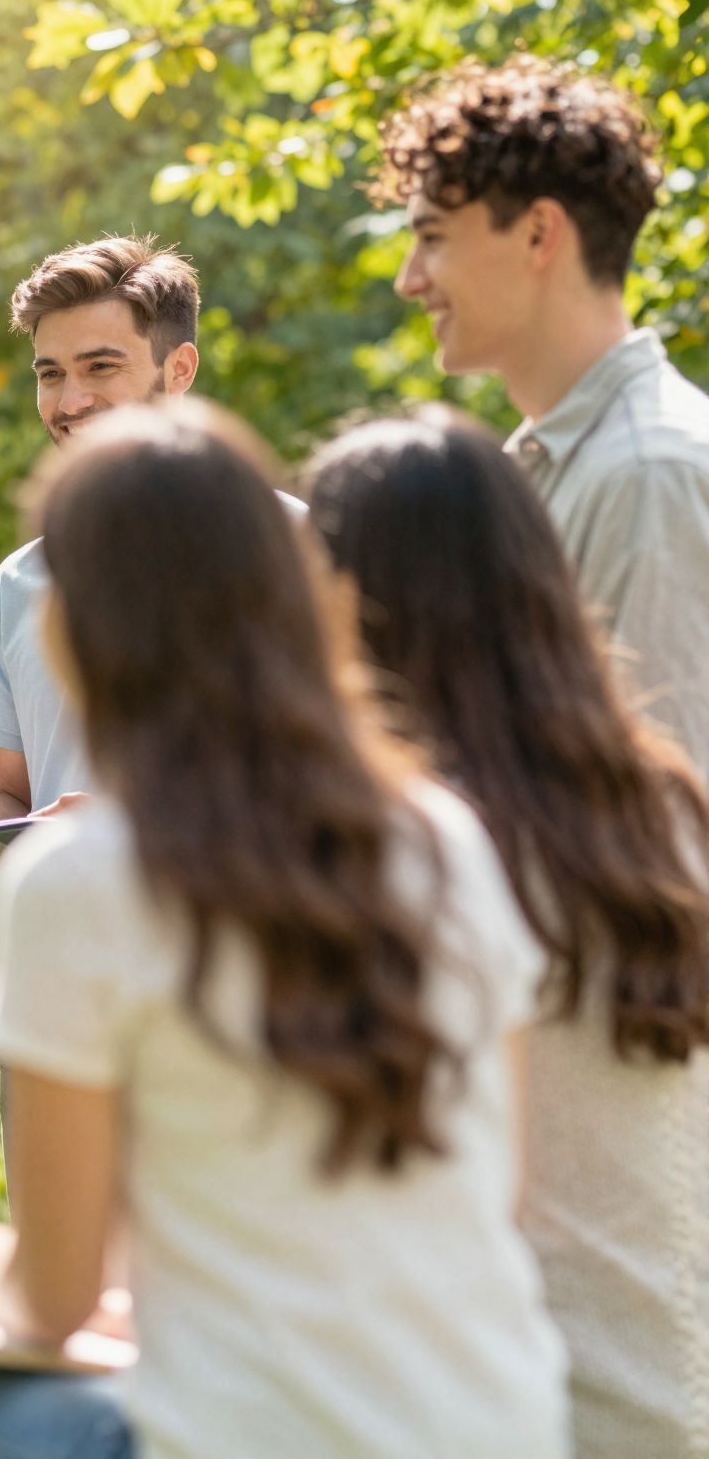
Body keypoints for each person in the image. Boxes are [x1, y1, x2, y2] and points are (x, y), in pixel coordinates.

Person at [0, 401, 568, 1459]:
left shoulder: (77, 880)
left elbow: (51, 1297)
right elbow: (499, 1192)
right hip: (494, 1420)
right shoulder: (444, 836)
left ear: (73, 624)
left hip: (240, 1435)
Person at [308, 409, 709, 1458]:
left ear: (359, 601)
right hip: (670, 1374)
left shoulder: (417, 846)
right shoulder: (659, 800)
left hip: (508, 1401)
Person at [377, 54, 709, 779]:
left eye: (431, 238)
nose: (409, 279)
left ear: (538, 234)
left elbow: (666, 825)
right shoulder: (548, 464)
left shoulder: (649, 473)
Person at [0, 235, 202, 883]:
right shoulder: (17, 583)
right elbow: (13, 794)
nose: (69, 403)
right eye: (50, 374)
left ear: (178, 371)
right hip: (60, 951)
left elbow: (345, 785)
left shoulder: (288, 544)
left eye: (100, 368)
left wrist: (137, 824)